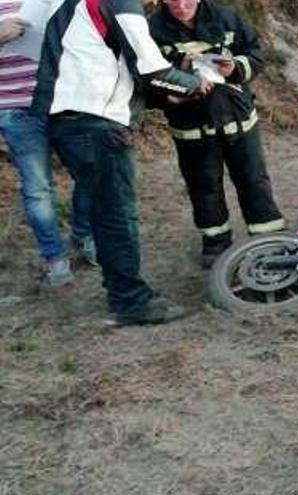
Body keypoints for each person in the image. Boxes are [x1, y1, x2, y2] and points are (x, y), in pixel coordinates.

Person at [32, 0, 212, 326]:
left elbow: (117, 65)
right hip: (96, 122)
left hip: (70, 121)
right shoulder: (118, 1)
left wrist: (164, 93)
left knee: (104, 212)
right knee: (116, 215)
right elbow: (150, 67)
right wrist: (194, 82)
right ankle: (131, 302)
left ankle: (121, 291)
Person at [148, 0, 284, 268]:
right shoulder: (152, 30)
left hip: (238, 119)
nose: (182, 5)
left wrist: (234, 68)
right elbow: (145, 78)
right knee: (203, 187)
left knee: (254, 180)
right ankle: (216, 243)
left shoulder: (226, 16)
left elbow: (256, 53)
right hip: (191, 127)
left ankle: (269, 238)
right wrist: (178, 81)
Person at [0, 0, 94, 288]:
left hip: (63, 100)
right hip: (16, 108)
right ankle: (55, 258)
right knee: (38, 187)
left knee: (89, 172)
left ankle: (81, 235)